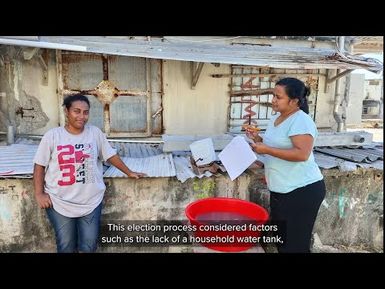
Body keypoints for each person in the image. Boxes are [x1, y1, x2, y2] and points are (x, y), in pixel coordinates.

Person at [33, 94, 146, 253]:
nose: (82, 116)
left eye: (86, 112)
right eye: (76, 111)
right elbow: (39, 165)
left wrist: (129, 172)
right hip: (59, 201)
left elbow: (110, 155)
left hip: (91, 201)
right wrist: (39, 194)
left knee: (89, 247)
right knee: (66, 246)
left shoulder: (95, 133)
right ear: (66, 111)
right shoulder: (52, 136)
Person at [246, 77, 325, 253]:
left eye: (278, 97)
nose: (273, 100)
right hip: (282, 191)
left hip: (301, 191)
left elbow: (302, 154)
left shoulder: (301, 120)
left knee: (294, 245)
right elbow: (277, 144)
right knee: (283, 242)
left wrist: (266, 149)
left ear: (294, 101)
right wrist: (257, 139)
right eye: (273, 95)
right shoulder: (277, 118)